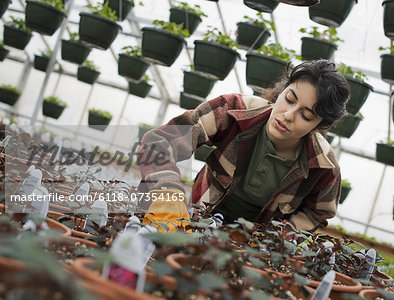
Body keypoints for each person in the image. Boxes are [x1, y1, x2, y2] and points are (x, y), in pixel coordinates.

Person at [137, 59, 350, 232]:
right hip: (200, 215)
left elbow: (319, 212)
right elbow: (160, 142)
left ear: (320, 126)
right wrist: (167, 193)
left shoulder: (324, 165)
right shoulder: (234, 110)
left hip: (255, 240)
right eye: (289, 99)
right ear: (283, 90)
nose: (288, 115)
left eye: (305, 115)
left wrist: (278, 237)